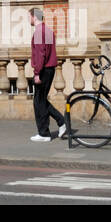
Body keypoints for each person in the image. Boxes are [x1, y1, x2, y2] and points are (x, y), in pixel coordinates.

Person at [29, 7, 66, 142]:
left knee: (39, 101)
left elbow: (40, 55)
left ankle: (45, 133)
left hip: (43, 70)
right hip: (50, 69)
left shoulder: (39, 32)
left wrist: (37, 73)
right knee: (41, 100)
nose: (29, 19)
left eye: (29, 17)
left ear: (34, 17)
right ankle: (60, 123)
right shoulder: (48, 31)